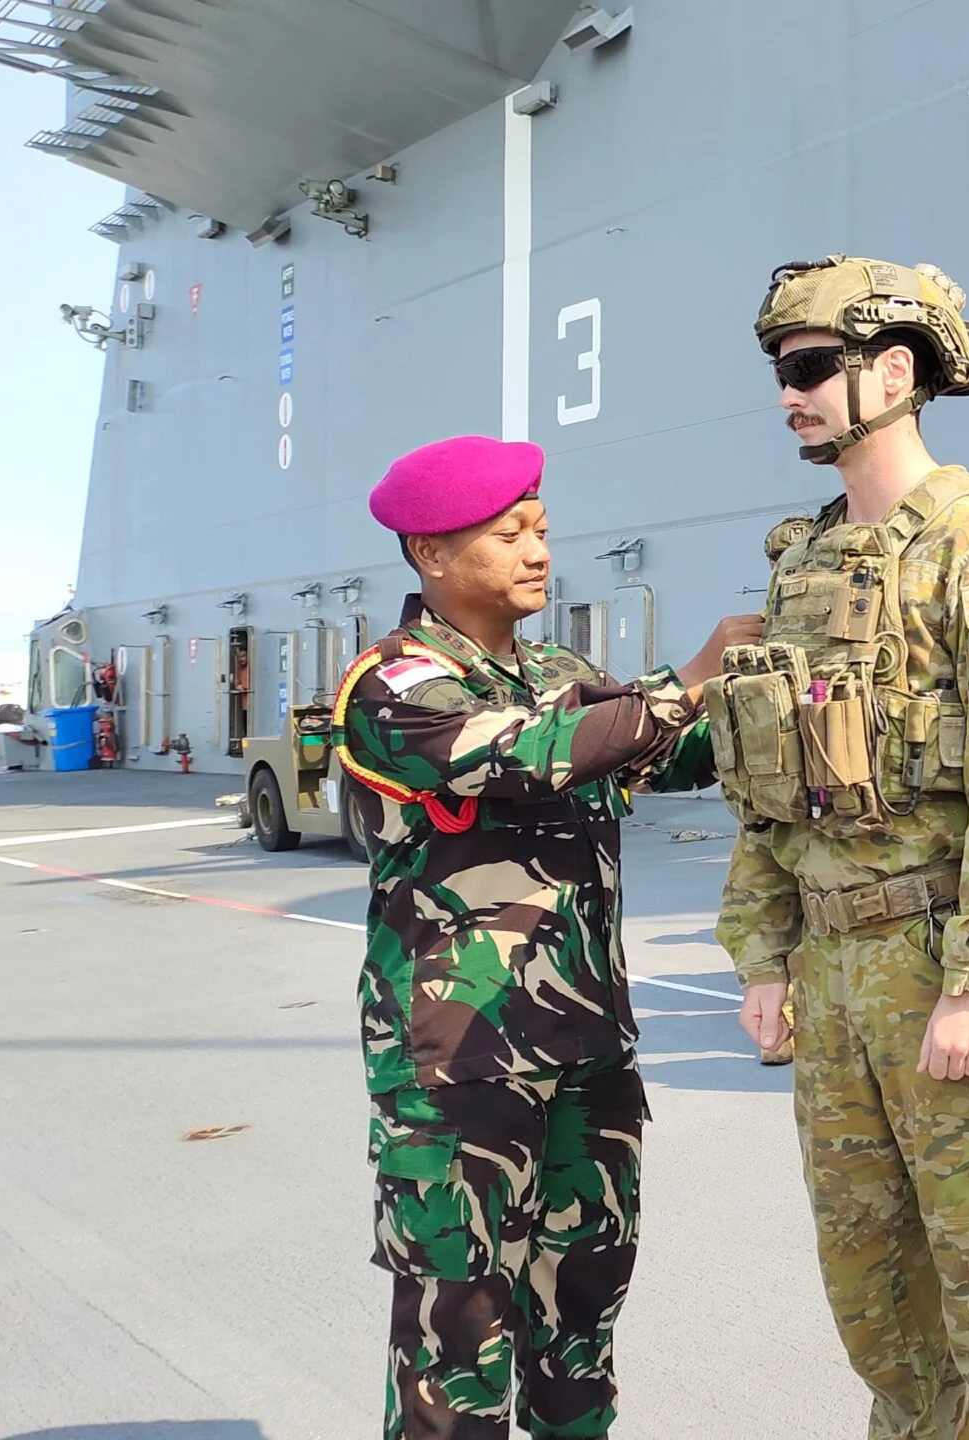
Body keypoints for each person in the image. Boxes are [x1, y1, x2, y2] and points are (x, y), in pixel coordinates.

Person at [713, 256, 969, 1436]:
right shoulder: (808, 564)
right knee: (872, 1295)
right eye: (782, 374)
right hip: (831, 986)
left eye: (811, 369)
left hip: (943, 972)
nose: (791, 394)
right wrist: (762, 952)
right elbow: (769, 787)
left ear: (891, 371)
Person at [337, 434, 737, 1440]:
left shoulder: (559, 667)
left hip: (586, 1050)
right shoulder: (393, 685)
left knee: (582, 1317)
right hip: (461, 1062)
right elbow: (522, 754)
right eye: (509, 532)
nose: (536, 551)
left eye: (543, 531)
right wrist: (690, 674)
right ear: (431, 551)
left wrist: (750, 693)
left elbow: (665, 752)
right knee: (457, 1333)